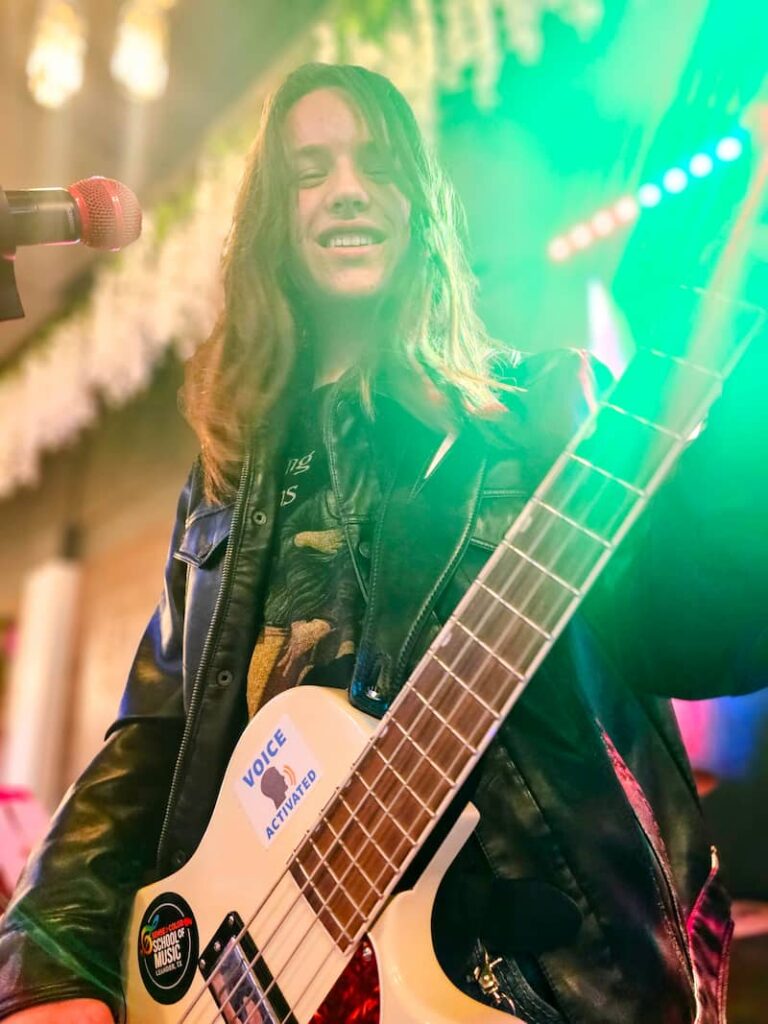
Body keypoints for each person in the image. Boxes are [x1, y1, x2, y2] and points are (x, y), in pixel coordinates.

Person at [0, 61, 766, 1024]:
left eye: (377, 164)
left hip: (557, 984)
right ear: (274, 225)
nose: (348, 190)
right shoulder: (230, 484)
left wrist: (744, 439)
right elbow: (149, 746)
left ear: (422, 206)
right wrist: (47, 969)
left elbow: (694, 632)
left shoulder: (543, 413)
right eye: (310, 171)